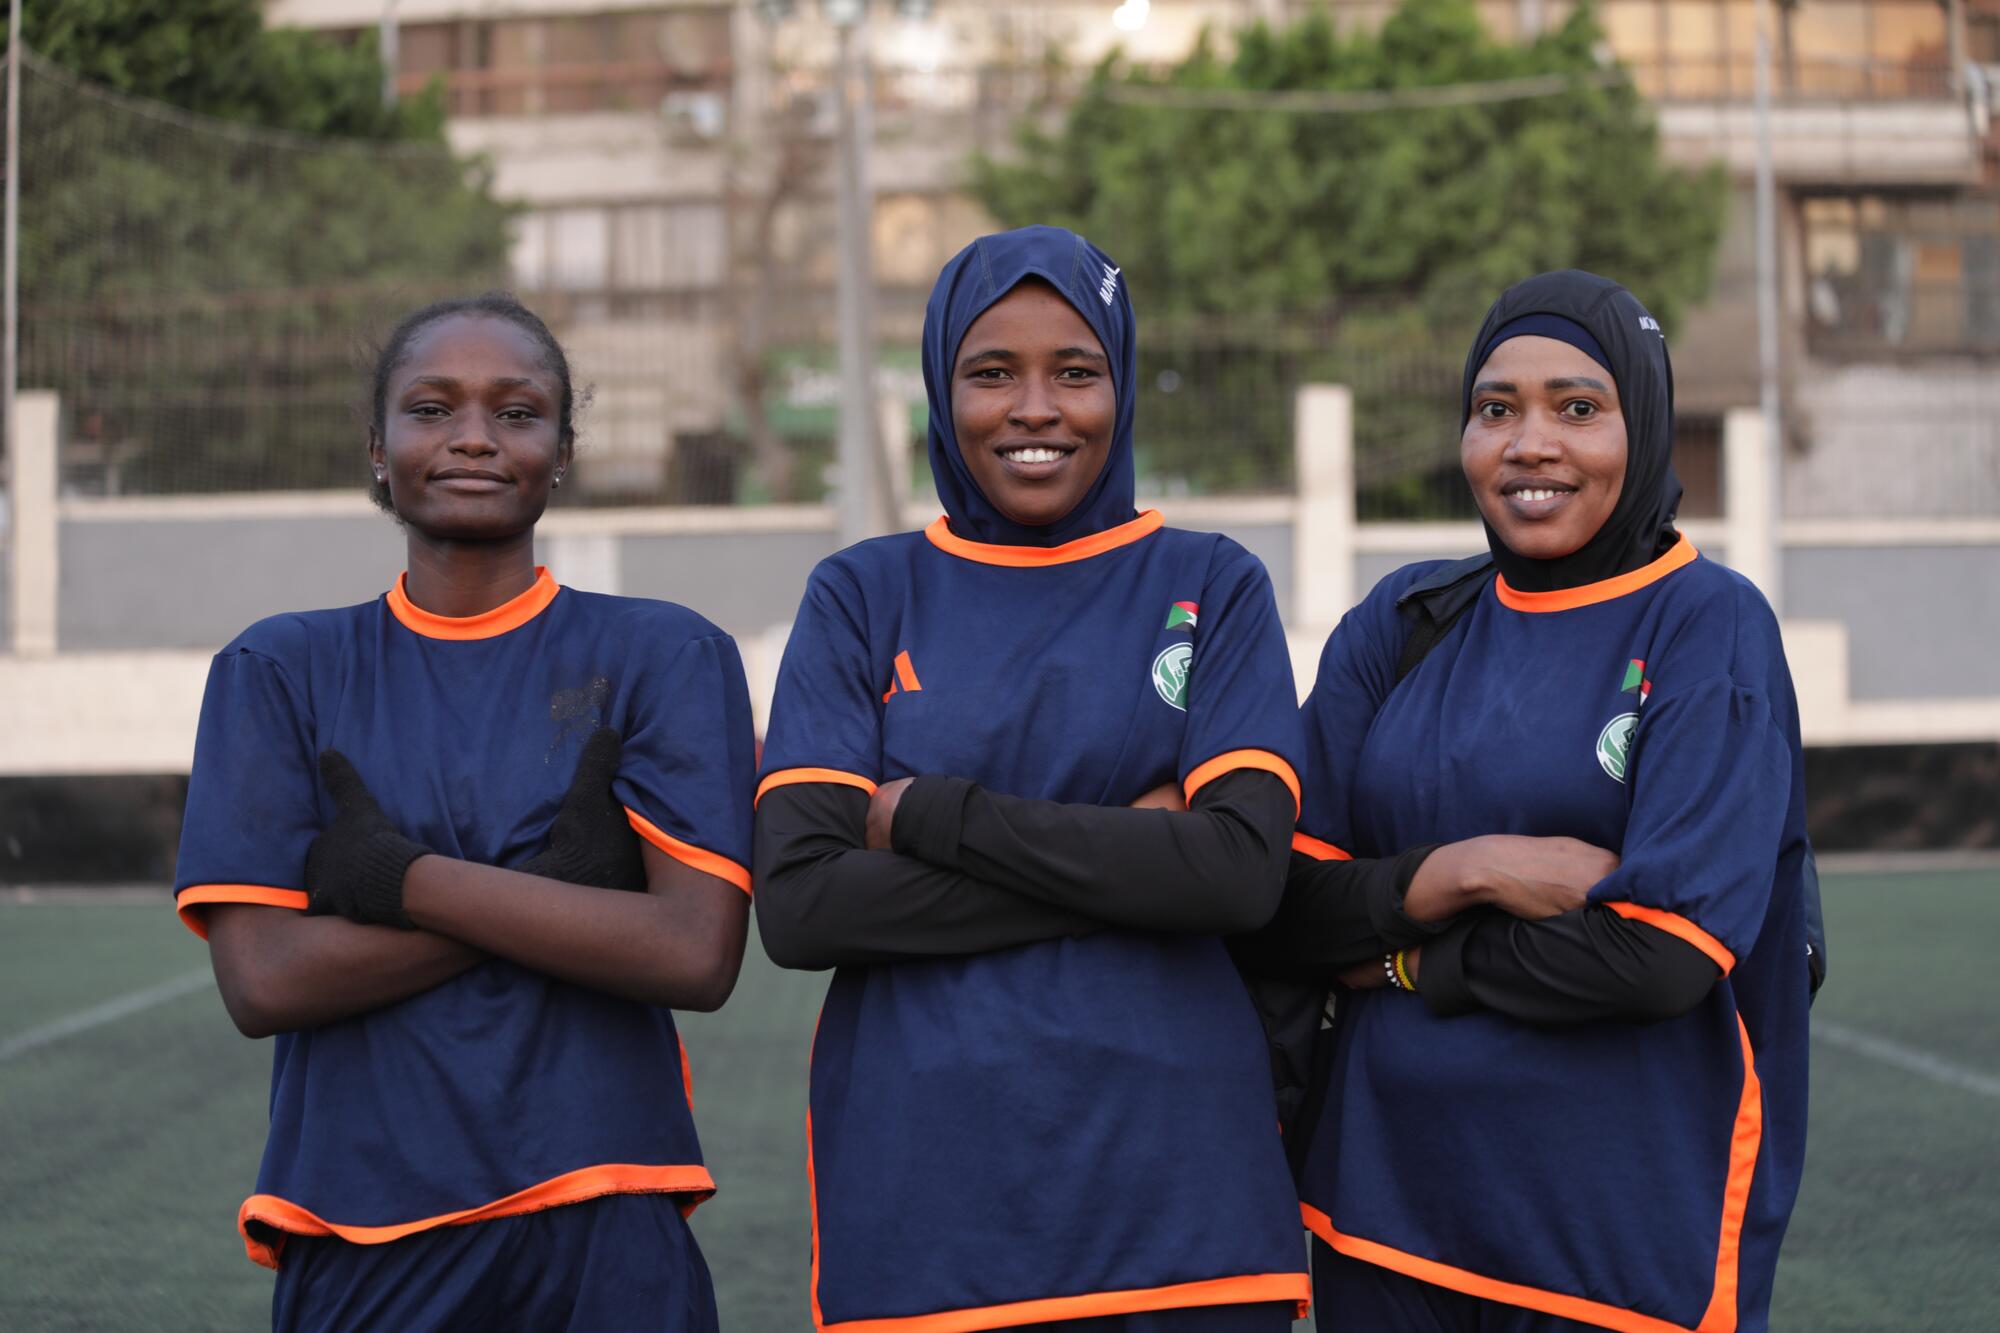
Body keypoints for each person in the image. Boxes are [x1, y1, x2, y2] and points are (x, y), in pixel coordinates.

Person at [753, 226, 1312, 1332]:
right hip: (926, 1205)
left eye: (1075, 372)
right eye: (992, 373)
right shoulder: (862, 594)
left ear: (1123, 382)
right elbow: (804, 903)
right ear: (939, 386)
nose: (1036, 409)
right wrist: (1139, 857)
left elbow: (1242, 876)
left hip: (1183, 1208)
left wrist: (933, 816)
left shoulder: (1212, 582)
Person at [1237, 270, 1812, 1332]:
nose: (1529, 444)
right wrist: (1470, 870)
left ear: (1643, 425)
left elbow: (1659, 957)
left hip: (1619, 1239)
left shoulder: (1707, 625)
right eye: (1495, 409)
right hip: (1384, 1212)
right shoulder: (1405, 621)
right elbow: (1272, 901)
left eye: (1577, 407)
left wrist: (1405, 960)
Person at [173, 294, 754, 1332]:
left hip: (607, 1202)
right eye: (432, 408)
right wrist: (560, 897)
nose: (475, 437)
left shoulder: (666, 654)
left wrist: (400, 881)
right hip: (359, 1220)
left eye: (517, 412)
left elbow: (692, 953)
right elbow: (265, 979)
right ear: (377, 445)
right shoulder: (279, 669)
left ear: (562, 451)